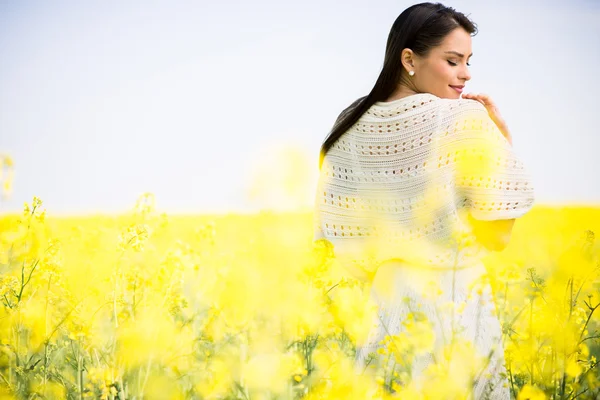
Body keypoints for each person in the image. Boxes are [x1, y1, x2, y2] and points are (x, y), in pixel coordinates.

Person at [312, 2, 535, 398]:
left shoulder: (349, 121)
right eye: (453, 61)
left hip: (386, 300)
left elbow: (340, 246)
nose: (466, 74)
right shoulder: (463, 120)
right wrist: (503, 141)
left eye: (468, 61)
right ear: (409, 59)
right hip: (456, 299)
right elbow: (498, 235)